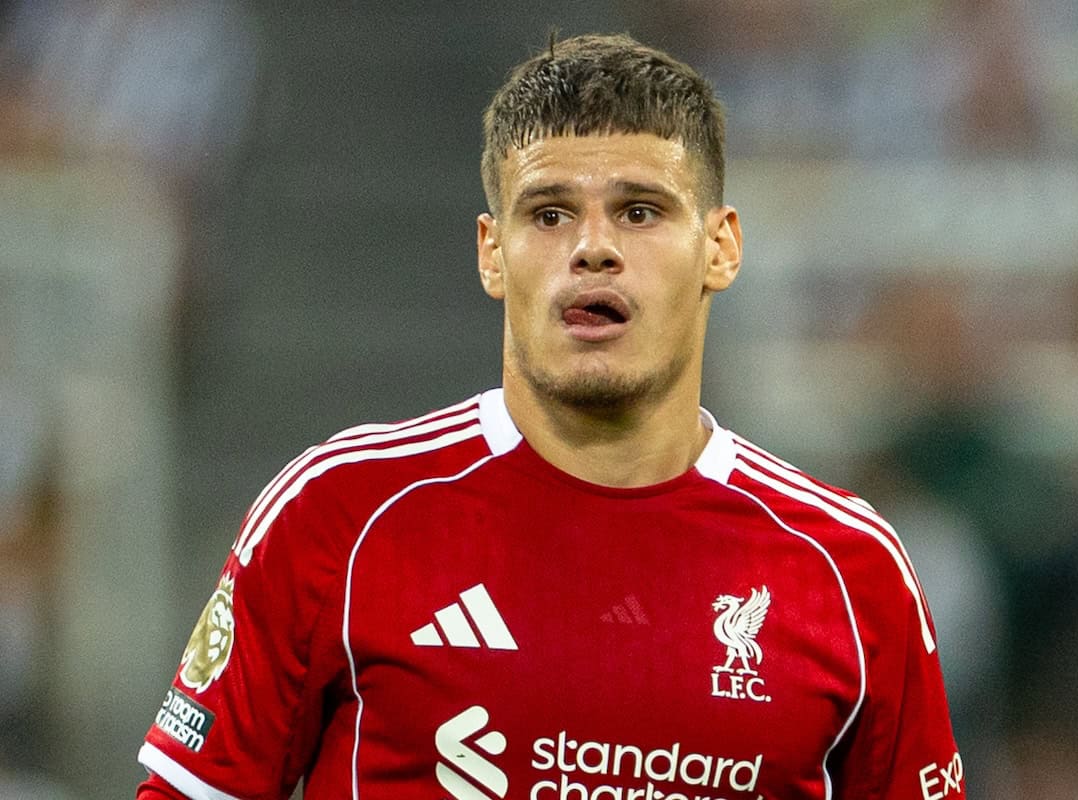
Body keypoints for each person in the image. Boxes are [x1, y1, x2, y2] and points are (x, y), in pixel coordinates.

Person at [136, 33, 963, 800]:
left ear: (721, 247)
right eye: (549, 213)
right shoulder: (336, 517)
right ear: (491, 252)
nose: (592, 248)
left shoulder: (851, 573)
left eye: (640, 210)